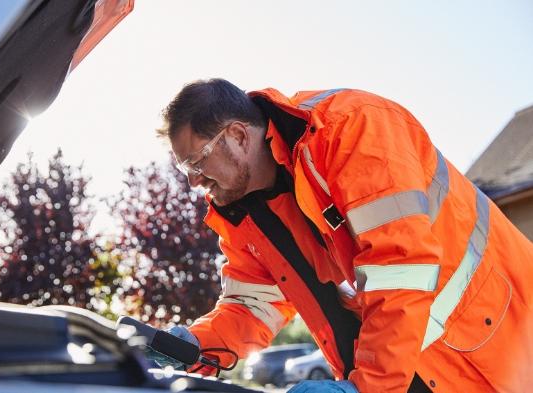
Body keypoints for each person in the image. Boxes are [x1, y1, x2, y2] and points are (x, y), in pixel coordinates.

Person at [147, 78, 533, 392]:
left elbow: (400, 268)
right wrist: (194, 343)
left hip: (497, 347)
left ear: (238, 136)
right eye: (185, 170)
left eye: (197, 161)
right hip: (404, 370)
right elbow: (250, 306)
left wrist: (368, 388)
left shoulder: (353, 128)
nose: (194, 181)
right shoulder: (244, 215)